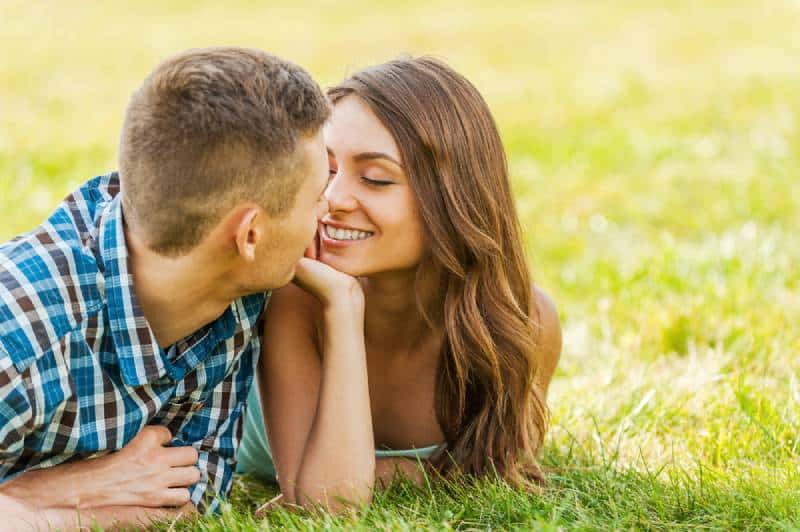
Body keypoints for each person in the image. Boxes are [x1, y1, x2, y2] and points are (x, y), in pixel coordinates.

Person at [0, 47, 331, 529]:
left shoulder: (232, 300)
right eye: (318, 196)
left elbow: (186, 500)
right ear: (249, 236)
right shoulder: (20, 335)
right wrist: (56, 499)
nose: (329, 211)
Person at [236, 57, 562, 512]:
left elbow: (506, 466)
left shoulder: (523, 321)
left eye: (375, 178)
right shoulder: (296, 296)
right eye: (325, 170)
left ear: (452, 198)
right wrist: (343, 305)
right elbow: (328, 504)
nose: (332, 199)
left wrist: (389, 473)